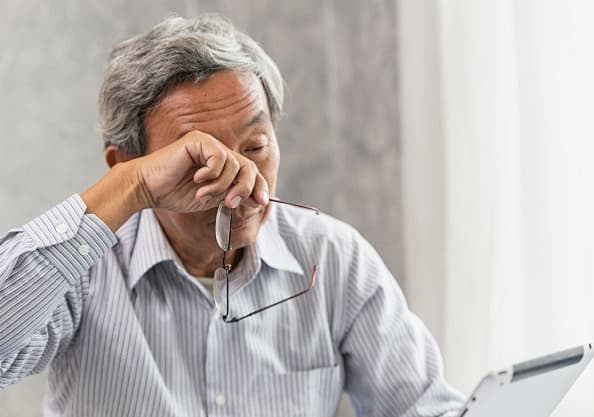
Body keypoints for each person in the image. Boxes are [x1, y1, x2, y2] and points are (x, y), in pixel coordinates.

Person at [0, 14, 464, 417]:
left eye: (256, 147)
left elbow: (423, 407)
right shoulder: (83, 270)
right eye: (199, 161)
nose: (242, 181)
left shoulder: (332, 258)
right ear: (128, 163)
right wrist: (128, 189)